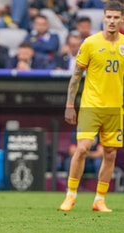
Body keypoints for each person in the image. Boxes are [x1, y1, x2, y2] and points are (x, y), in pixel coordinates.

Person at [60, 1, 124, 212]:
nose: (112, 21)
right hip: (91, 106)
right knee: (82, 148)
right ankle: (70, 195)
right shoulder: (90, 43)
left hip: (115, 108)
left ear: (122, 19)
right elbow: (76, 76)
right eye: (109, 17)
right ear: (104, 18)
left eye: (117, 17)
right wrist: (70, 104)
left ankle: (99, 199)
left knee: (110, 153)